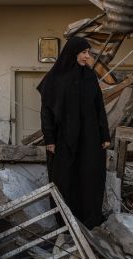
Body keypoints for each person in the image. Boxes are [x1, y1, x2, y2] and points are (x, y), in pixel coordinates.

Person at [38, 37, 111, 229]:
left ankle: (89, 220)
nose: (88, 57)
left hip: (90, 137)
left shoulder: (89, 77)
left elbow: (99, 107)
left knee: (90, 175)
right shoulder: (54, 79)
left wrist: (105, 135)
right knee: (64, 178)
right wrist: (50, 139)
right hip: (63, 139)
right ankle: (65, 221)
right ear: (73, 53)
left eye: (88, 53)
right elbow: (46, 111)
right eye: (84, 52)